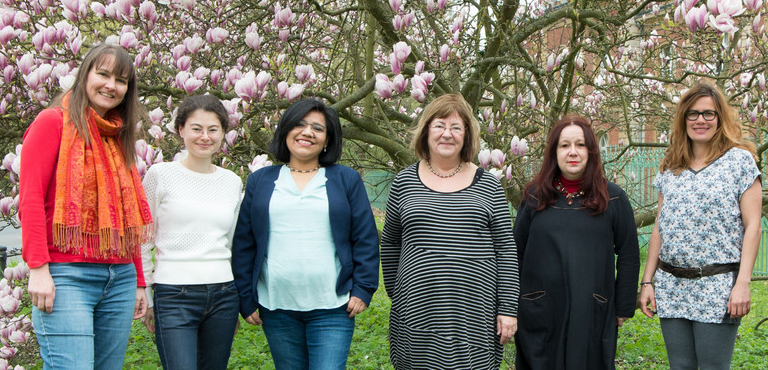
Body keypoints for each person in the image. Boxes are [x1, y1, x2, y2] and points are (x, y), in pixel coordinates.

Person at [19, 44, 152, 370]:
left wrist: (137, 279)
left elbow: (125, 214)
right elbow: (31, 199)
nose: (111, 85)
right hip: (67, 276)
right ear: (85, 75)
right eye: (103, 74)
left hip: (119, 279)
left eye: (121, 80)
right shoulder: (52, 122)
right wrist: (37, 268)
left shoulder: (118, 136)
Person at [231, 98, 379, 370]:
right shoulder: (260, 181)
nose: (307, 132)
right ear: (285, 131)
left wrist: (364, 288)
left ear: (327, 140)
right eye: (299, 124)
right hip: (276, 307)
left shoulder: (346, 179)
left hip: (333, 307)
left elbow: (365, 237)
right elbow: (244, 243)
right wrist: (245, 297)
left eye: (317, 128)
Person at [381, 93, 519, 370]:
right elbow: (391, 243)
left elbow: (505, 250)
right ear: (426, 131)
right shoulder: (404, 182)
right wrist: (402, 294)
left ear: (466, 136)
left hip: (474, 313)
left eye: (456, 127)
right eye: (439, 125)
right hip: (416, 311)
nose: (447, 134)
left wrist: (507, 309)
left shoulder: (490, 186)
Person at [637, 81, 762, 370]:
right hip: (672, 284)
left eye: (708, 113)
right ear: (683, 119)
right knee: (680, 367)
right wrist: (647, 281)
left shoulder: (739, 161)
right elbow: (659, 226)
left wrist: (742, 283)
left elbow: (753, 225)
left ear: (720, 118)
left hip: (717, 285)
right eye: (692, 114)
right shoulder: (672, 166)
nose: (700, 120)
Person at [513, 116, 639, 370]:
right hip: (540, 310)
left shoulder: (613, 198)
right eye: (564, 145)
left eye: (580, 145)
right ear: (554, 151)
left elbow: (628, 253)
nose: (573, 152)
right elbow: (516, 253)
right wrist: (511, 304)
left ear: (591, 151)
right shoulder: (534, 196)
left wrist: (623, 306)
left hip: (592, 309)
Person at [140, 95, 242, 370]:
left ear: (223, 133)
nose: (204, 137)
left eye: (213, 129)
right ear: (180, 130)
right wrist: (146, 292)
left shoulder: (232, 182)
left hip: (223, 294)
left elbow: (232, 243)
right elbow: (142, 239)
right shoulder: (160, 175)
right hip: (173, 295)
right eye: (196, 128)